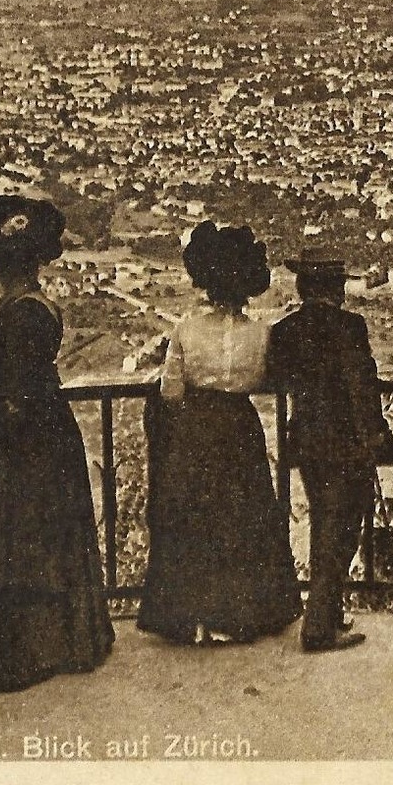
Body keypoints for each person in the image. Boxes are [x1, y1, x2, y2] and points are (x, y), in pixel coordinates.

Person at [0, 195, 113, 701]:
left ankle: (17, 658)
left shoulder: (23, 313)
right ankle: (53, 645)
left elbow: (16, 396)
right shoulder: (30, 306)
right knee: (40, 543)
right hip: (42, 439)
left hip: (23, 445)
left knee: (16, 544)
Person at [138, 222, 301, 645]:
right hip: (240, 428)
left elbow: (170, 389)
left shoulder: (187, 330)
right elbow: (269, 379)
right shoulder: (261, 334)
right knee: (241, 517)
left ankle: (193, 618)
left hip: (196, 429)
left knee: (195, 517)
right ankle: (239, 616)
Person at [267, 251, 393, 654]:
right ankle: (319, 628)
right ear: (333, 288)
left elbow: (277, 377)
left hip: (307, 441)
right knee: (341, 530)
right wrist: (376, 439)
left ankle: (328, 613)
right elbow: (362, 388)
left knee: (326, 522)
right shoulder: (350, 327)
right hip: (347, 443)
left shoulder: (285, 330)